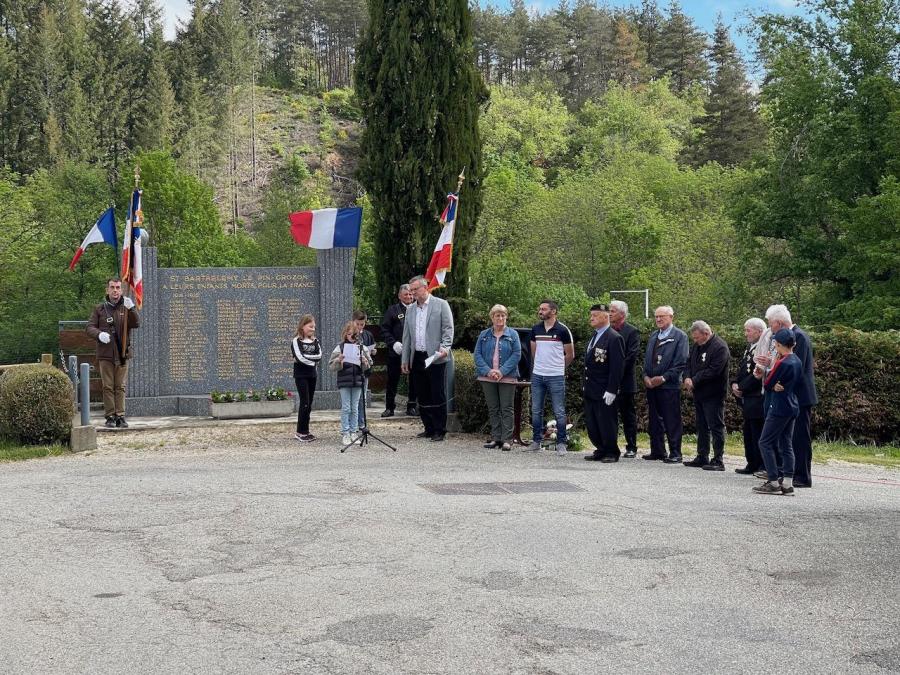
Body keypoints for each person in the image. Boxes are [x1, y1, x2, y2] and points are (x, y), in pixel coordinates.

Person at [755, 305, 818, 487]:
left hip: (797, 395)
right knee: (787, 439)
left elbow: (796, 366)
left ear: (779, 323)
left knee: (799, 438)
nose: (770, 329)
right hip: (788, 394)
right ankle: (786, 473)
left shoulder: (798, 337)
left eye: (771, 325)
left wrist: (777, 380)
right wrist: (769, 365)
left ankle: (801, 475)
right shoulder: (789, 338)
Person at [401, 275, 454, 441]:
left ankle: (440, 429)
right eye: (411, 290)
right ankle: (428, 427)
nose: (413, 293)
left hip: (435, 356)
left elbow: (448, 328)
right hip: (417, 355)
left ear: (425, 288)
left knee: (437, 392)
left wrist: (445, 347)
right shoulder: (410, 310)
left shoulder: (440, 305)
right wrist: (405, 359)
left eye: (416, 289)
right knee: (421, 393)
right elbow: (407, 336)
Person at [86, 278, 140, 428]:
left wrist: (132, 309)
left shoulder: (125, 307)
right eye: (112, 287)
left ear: (121, 290)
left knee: (120, 386)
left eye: (118, 287)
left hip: (123, 353)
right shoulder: (100, 309)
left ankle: (120, 416)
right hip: (105, 354)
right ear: (107, 290)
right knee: (108, 386)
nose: (115, 290)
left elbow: (136, 323)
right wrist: (99, 335)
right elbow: (89, 327)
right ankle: (110, 416)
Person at [753, 328, 802, 496]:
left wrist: (769, 379)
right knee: (786, 443)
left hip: (779, 406)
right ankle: (787, 482)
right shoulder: (796, 360)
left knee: (765, 442)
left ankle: (773, 481)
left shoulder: (782, 362)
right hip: (792, 404)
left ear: (778, 344)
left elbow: (767, 383)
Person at [527, 300, 574, 455]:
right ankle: (536, 441)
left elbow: (570, 355)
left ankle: (561, 443)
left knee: (559, 410)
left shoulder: (563, 330)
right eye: (539, 308)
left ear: (553, 311)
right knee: (536, 409)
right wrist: (540, 366)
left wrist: (558, 368)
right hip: (538, 375)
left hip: (556, 376)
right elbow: (534, 352)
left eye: (544, 309)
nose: (540, 311)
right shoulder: (536, 329)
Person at [642, 306, 689, 463]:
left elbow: (681, 362)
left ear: (671, 317)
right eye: (656, 317)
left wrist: (663, 378)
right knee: (654, 420)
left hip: (669, 385)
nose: (658, 319)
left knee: (672, 420)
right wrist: (646, 376)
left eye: (662, 316)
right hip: (652, 386)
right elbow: (647, 359)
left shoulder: (680, 337)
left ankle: (675, 452)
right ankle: (657, 450)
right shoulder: (654, 336)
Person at [683, 321, 731, 471]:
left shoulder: (720, 347)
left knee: (716, 425)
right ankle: (702, 455)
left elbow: (714, 370)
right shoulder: (697, 346)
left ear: (706, 333)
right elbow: (688, 363)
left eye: (697, 338)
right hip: (699, 392)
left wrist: (694, 379)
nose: (695, 341)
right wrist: (687, 377)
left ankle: (718, 458)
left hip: (713, 393)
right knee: (701, 425)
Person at [474, 304, 522, 451]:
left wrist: (501, 371)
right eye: (497, 315)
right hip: (487, 377)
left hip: (507, 377)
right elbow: (477, 355)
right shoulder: (484, 335)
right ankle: (495, 438)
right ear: (492, 318)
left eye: (503, 315)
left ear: (506, 317)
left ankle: (507, 439)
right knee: (493, 408)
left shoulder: (513, 334)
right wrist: (488, 371)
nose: (500, 318)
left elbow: (517, 355)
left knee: (506, 408)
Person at [582, 304, 625, 463]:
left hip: (604, 388)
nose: (591, 318)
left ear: (605, 317)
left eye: (595, 315)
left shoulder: (614, 338)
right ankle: (601, 448)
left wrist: (612, 389)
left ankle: (611, 451)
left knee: (606, 421)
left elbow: (617, 366)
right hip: (591, 387)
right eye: (591, 315)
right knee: (593, 422)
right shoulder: (595, 336)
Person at [329, 321, 372, 446]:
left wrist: (364, 362)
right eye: (349, 334)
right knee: (346, 407)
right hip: (344, 381)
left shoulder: (361, 347)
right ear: (345, 334)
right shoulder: (340, 347)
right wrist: (339, 360)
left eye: (354, 335)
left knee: (355, 408)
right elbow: (331, 366)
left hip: (358, 381)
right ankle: (345, 433)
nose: (351, 337)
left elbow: (368, 366)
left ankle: (354, 432)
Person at [732, 318, 766, 475]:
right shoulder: (750, 348)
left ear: (759, 331)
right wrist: (734, 383)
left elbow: (757, 374)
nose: (746, 333)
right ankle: (751, 462)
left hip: (756, 397)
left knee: (757, 432)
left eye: (748, 330)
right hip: (747, 397)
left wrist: (742, 387)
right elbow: (742, 370)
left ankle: (761, 464)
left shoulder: (763, 348)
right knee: (748, 432)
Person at [380, 284, 418, 418]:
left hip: (414, 352)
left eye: (411, 294)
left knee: (414, 380)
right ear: (400, 296)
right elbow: (384, 330)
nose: (409, 297)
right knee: (392, 379)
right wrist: (393, 343)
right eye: (406, 294)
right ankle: (389, 407)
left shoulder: (417, 309)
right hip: (396, 351)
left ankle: (412, 406)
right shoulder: (393, 310)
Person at [609, 300, 640, 458]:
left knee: (628, 415)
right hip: (608, 382)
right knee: (609, 415)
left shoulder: (631, 332)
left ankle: (631, 446)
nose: (609, 313)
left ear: (622, 314)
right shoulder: (607, 330)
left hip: (624, 382)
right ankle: (610, 446)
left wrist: (616, 374)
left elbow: (630, 357)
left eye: (613, 311)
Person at [290, 314, 322, 443]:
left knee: (309, 404)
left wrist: (309, 358)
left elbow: (319, 355)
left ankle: (306, 430)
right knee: (304, 402)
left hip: (312, 375)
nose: (313, 329)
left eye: (314, 327)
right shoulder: (296, 340)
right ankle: (300, 432)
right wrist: (311, 360)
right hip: (301, 375)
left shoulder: (315, 341)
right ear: (303, 326)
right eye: (310, 326)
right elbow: (299, 357)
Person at [352, 309, 376, 429]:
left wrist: (373, 351)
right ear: (353, 322)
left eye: (363, 324)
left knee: (363, 398)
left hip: (365, 370)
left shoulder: (368, 335)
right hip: (352, 371)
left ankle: (362, 422)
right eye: (358, 324)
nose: (360, 326)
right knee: (354, 399)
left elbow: (372, 349)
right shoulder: (350, 334)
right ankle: (354, 423)